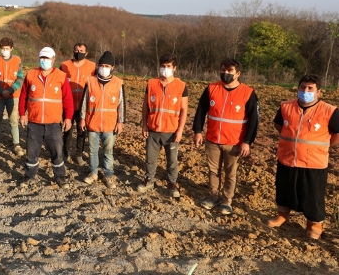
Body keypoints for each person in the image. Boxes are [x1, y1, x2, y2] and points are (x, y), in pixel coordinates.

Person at [267, 74, 339, 239]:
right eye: (302, 87)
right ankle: (282, 215)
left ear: (318, 92)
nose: (305, 91)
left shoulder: (330, 110)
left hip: (314, 162)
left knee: (313, 194)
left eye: (310, 88)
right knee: (285, 189)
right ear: (297, 88)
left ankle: (314, 223)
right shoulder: (286, 107)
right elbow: (279, 125)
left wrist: (322, 145)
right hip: (287, 158)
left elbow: (336, 134)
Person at [193, 58, 258, 215]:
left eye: (230, 71)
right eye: (223, 70)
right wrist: (197, 131)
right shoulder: (211, 89)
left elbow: (254, 121)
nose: (226, 73)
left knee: (230, 173)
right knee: (213, 170)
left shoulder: (248, 93)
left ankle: (226, 200)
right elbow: (201, 110)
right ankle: (213, 196)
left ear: (238, 73)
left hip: (234, 142)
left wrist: (247, 142)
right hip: (213, 139)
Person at [19, 47, 73, 188]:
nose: (44, 61)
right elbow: (23, 96)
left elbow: (68, 99)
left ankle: (60, 176)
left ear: (53, 60)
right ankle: (29, 176)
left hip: (53, 123)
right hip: (34, 122)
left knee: (57, 152)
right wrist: (21, 114)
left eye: (47, 58)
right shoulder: (31, 75)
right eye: (42, 58)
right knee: (31, 152)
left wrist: (68, 118)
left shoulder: (61, 76)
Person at [137, 53, 188, 198]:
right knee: (150, 158)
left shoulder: (181, 86)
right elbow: (145, 106)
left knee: (172, 160)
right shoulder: (152, 84)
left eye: (168, 66)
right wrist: (144, 125)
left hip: (171, 131)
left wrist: (180, 130)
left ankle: (172, 183)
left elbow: (184, 110)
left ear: (174, 68)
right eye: (163, 66)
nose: (165, 69)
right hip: (153, 129)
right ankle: (149, 179)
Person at [79, 51, 125, 189]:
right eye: (102, 65)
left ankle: (108, 175)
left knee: (108, 152)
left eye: (107, 66)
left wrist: (120, 122)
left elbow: (121, 104)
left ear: (112, 67)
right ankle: (93, 172)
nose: (104, 68)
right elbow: (84, 102)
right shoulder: (90, 81)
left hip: (110, 125)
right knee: (92, 151)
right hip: (92, 123)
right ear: (98, 66)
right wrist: (82, 119)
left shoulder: (118, 83)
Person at [61, 43, 96, 166]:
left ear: (86, 53)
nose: (78, 52)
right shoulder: (64, 65)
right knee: (67, 131)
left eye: (81, 50)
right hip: (68, 105)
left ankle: (79, 154)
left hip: (84, 106)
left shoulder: (92, 67)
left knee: (82, 132)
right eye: (76, 50)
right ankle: (65, 153)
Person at [0, 37, 24, 156]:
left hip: (12, 96)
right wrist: (0, 90)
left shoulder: (17, 60)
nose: (4, 51)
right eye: (3, 48)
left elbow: (20, 78)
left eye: (7, 48)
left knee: (14, 120)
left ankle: (17, 144)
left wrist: (9, 90)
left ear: (11, 49)